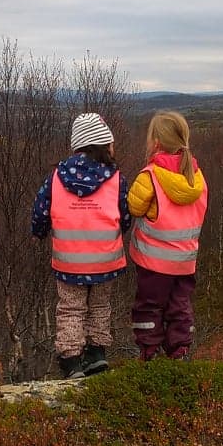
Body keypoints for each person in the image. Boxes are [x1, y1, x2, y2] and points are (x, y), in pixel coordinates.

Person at [32, 111, 131, 377]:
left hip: (69, 259)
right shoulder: (116, 178)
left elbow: (40, 212)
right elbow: (125, 214)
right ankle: (97, 353)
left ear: (77, 144)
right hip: (106, 258)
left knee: (70, 308)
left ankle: (71, 360)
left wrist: (39, 232)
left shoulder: (55, 177)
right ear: (104, 145)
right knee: (100, 305)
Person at [128, 111, 208, 360]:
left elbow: (134, 206)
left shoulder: (150, 175)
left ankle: (150, 352)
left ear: (156, 143)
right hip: (185, 260)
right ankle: (180, 350)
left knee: (150, 306)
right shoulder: (196, 177)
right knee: (180, 305)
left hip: (154, 262)